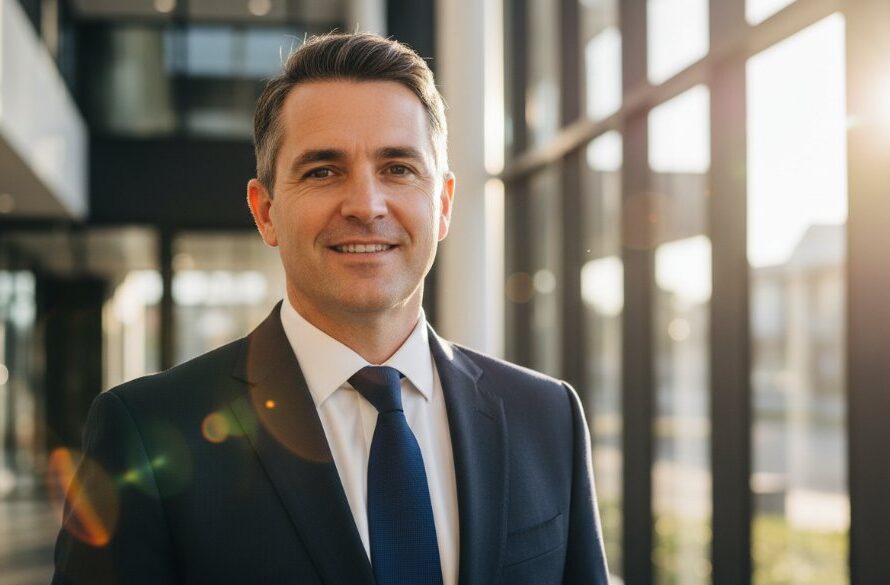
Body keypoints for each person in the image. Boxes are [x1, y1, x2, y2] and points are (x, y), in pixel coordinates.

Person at [52, 32, 609, 585]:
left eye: (398, 168)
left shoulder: (546, 416)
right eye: (323, 171)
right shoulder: (146, 429)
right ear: (265, 211)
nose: (366, 205)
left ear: (441, 205)